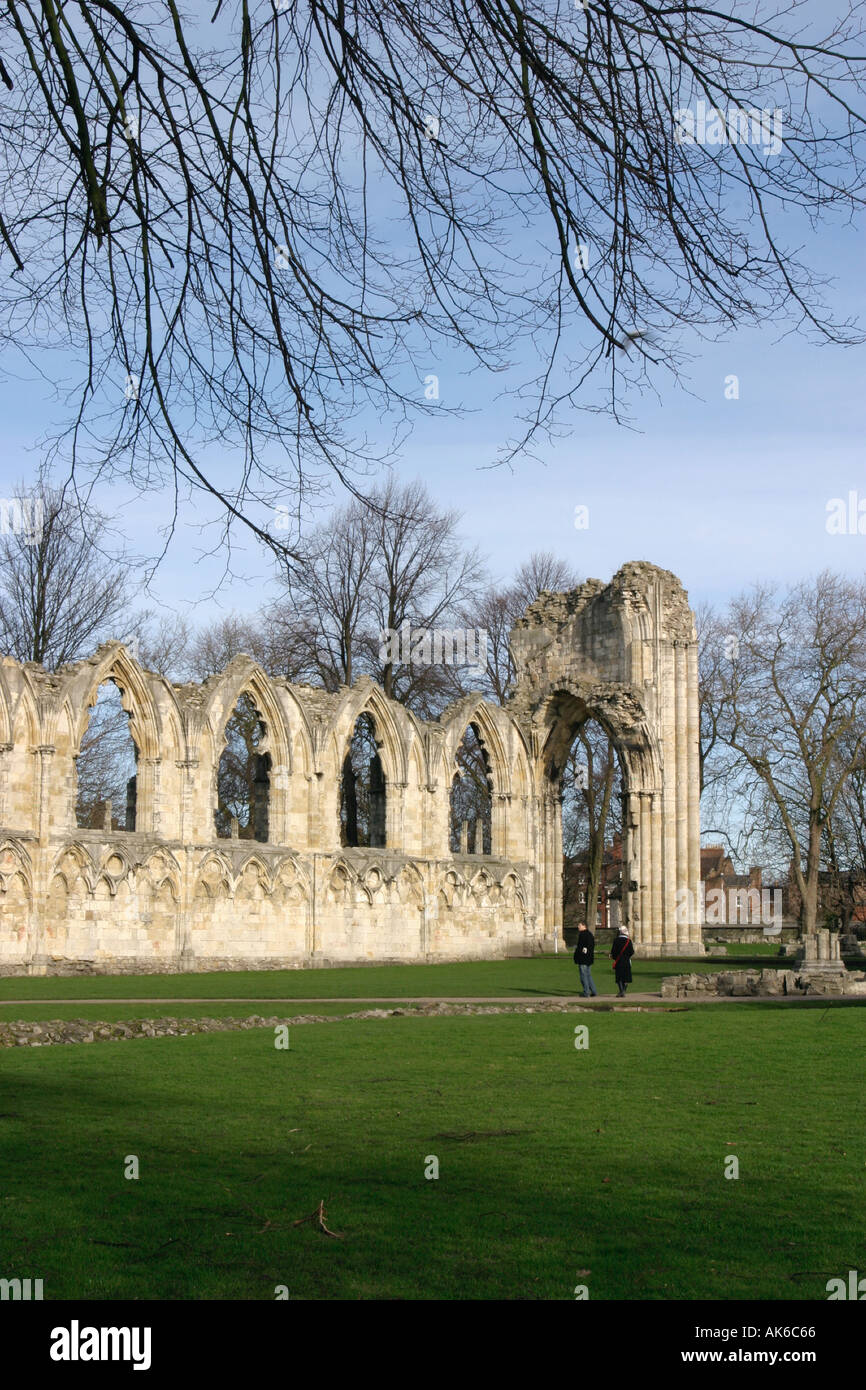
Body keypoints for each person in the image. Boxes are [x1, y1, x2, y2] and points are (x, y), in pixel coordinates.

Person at [573, 921, 597, 997]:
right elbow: (590, 947)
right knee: (588, 975)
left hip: (583, 959)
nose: (578, 927)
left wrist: (578, 954)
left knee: (583, 976)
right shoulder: (590, 934)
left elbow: (581, 948)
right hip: (589, 958)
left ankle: (586, 992)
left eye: (579, 925)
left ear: (584, 926)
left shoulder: (583, 935)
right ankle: (594, 991)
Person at [610, 925, 634, 997]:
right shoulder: (628, 941)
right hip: (626, 961)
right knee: (626, 977)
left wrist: (615, 957)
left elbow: (613, 951)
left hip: (619, 961)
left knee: (619, 977)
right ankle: (623, 991)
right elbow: (632, 952)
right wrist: (627, 956)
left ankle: (621, 991)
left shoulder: (616, 940)